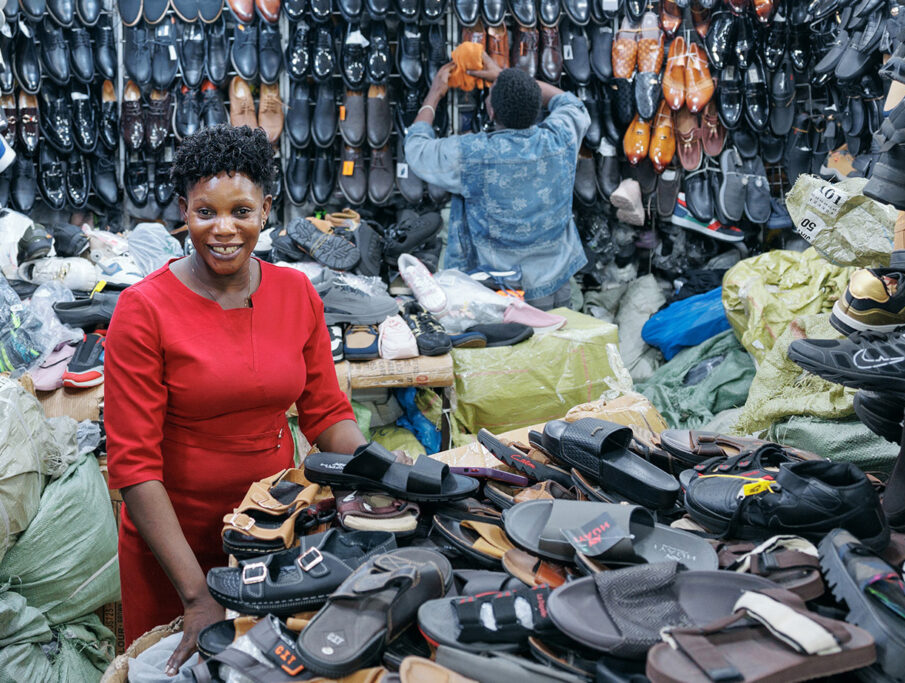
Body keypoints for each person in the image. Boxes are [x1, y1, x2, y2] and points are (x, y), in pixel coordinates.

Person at [104, 125, 366, 675]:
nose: (224, 229)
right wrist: (197, 595)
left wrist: (378, 477)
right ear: (184, 211)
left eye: (241, 211)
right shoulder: (143, 310)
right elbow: (133, 468)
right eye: (205, 213)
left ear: (266, 209)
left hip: (270, 535)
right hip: (172, 548)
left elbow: (327, 413)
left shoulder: (295, 293)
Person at [404, 53, 591, 310]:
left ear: (491, 111)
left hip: (503, 289)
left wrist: (435, 93)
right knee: (557, 342)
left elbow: (416, 148)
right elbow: (570, 102)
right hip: (557, 276)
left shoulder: (475, 154)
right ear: (536, 106)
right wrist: (505, 76)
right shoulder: (561, 137)